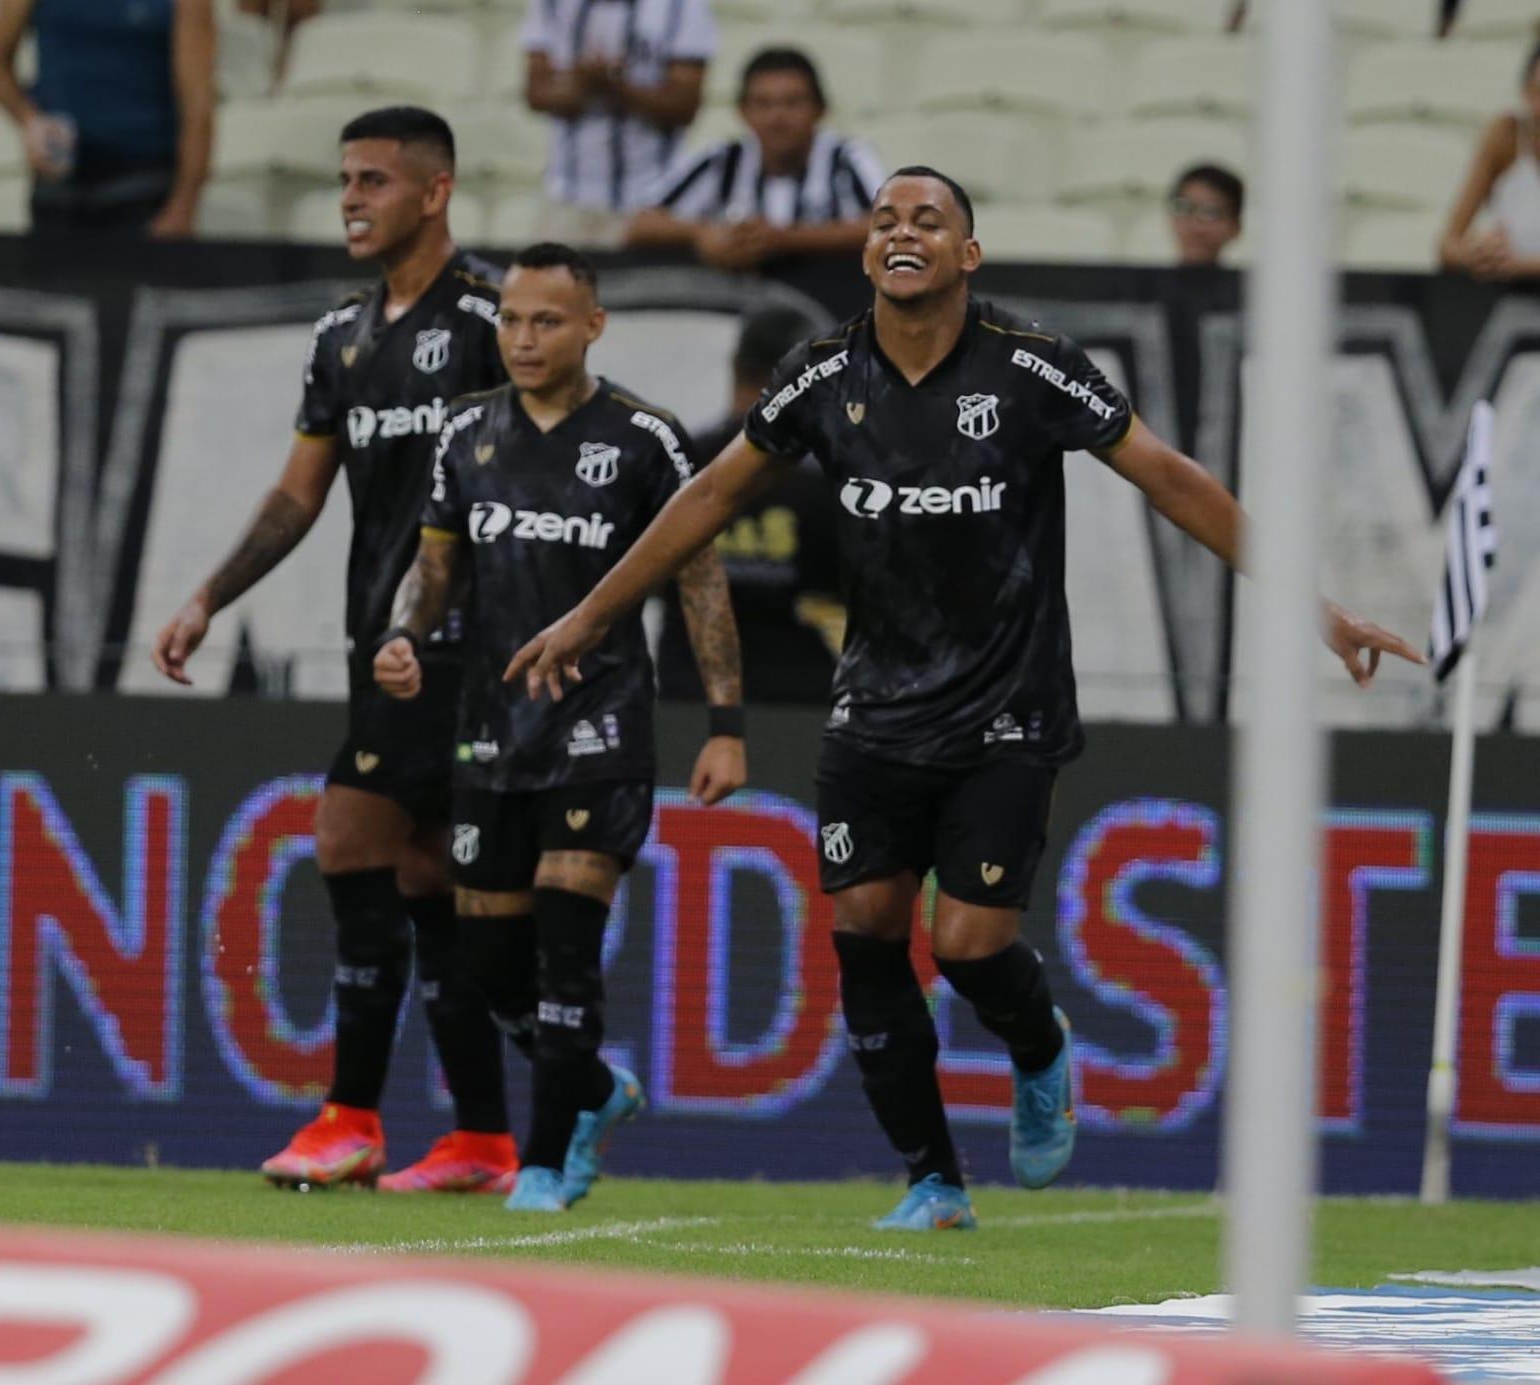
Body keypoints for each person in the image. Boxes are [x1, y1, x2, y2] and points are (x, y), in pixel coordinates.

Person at [506, 166, 1426, 1229]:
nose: (905, 231)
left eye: (928, 219)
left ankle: (1039, 1047)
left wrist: (1316, 606)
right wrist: (591, 615)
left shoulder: (1032, 367)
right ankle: (934, 1179)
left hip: (1007, 708)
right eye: (888, 220)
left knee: (969, 945)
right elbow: (709, 493)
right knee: (865, 926)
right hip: (875, 708)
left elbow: (1170, 475)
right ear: (866, 255)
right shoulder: (818, 377)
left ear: (966, 255)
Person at [152, 107, 517, 1195]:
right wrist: (211, 594)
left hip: (461, 641)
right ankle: (484, 1137)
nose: (353, 198)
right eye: (344, 180)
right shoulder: (343, 335)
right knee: (424, 875)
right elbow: (300, 492)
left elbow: (529, 477)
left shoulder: (499, 318)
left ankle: (353, 1116)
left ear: (436, 191)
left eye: (375, 180)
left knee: (348, 837)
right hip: (385, 644)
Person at [374, 242, 746, 1213]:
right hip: (492, 728)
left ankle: (543, 1161)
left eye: (546, 321)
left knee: (567, 945)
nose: (524, 338)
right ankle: (590, 1085)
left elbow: (701, 579)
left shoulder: (644, 438)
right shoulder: (465, 433)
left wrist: (724, 722)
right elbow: (438, 566)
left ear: (593, 326)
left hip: (601, 724)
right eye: (510, 319)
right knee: (491, 958)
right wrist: (407, 634)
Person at [656, 303, 845, 704]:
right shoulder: (831, 481)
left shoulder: (679, 462)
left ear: (736, 367)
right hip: (799, 704)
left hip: (690, 698)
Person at [626, 47, 885, 271]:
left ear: (820, 109)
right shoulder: (722, 160)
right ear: (742, 111)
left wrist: (787, 240)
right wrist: (702, 235)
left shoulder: (846, 157)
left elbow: (888, 226)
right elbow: (642, 225)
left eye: (792, 103)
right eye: (763, 104)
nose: (777, 118)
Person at [0, 0, 215, 235]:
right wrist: (29, 119)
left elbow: (197, 103)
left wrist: (184, 206)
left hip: (144, 181)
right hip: (60, 178)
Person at [520, 0, 716, 249]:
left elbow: (683, 107)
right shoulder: (553, 4)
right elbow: (536, 94)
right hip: (567, 199)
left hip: (651, 202)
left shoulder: (681, 6)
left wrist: (614, 87)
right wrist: (583, 84)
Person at [1441, 38, 1540, 280]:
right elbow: (1448, 244)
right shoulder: (1505, 135)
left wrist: (1520, 265)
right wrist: (1476, 254)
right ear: (1525, 93)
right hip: (1512, 305)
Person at [1167, 163, 1243, 268]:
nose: (1196, 227)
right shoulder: (1145, 283)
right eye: (1184, 209)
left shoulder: (1255, 283)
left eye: (1211, 213)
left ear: (1236, 227)